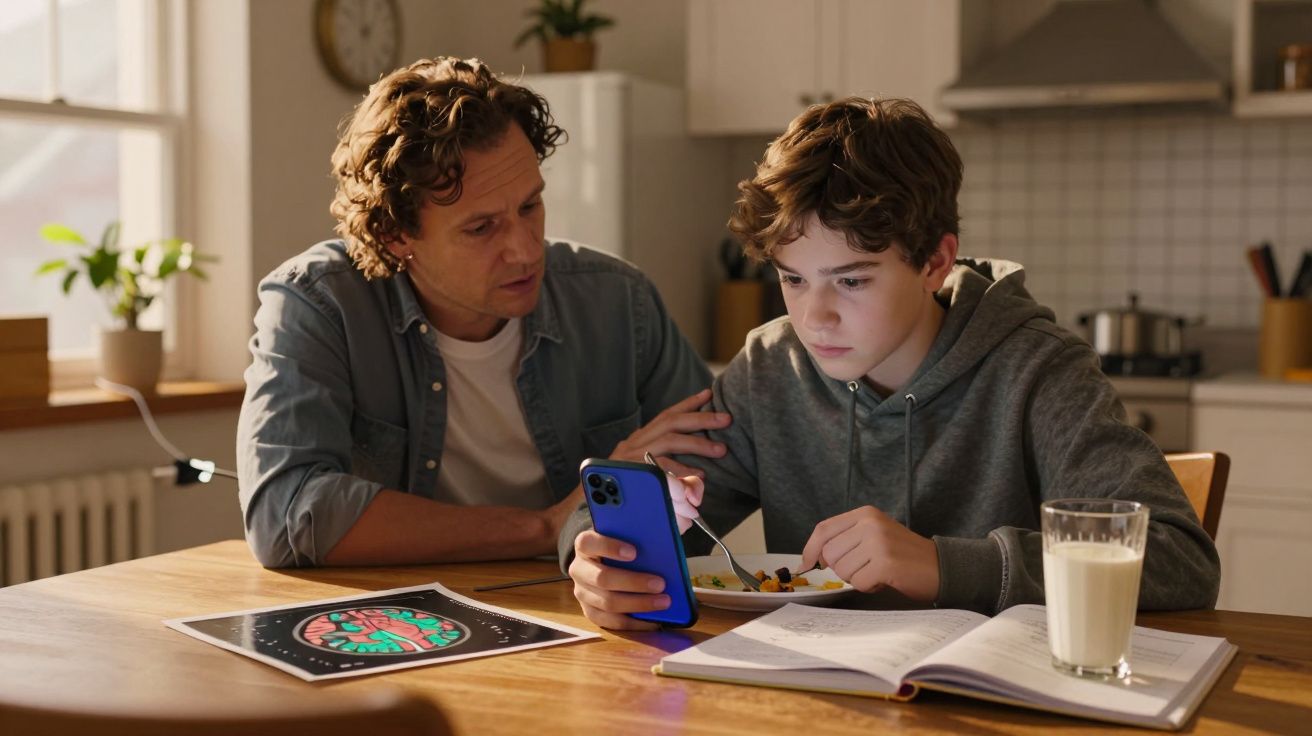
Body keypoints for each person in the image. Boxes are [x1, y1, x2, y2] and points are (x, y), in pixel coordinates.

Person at [565, 97, 1220, 630]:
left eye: (851, 282)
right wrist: (608, 554)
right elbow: (624, 528)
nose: (814, 317)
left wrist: (944, 565)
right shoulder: (767, 369)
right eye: (793, 280)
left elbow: (1182, 561)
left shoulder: (1039, 370)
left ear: (935, 261)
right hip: (820, 695)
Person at [237, 57, 728, 568]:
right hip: (400, 621)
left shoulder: (619, 303)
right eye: (481, 228)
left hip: (588, 612)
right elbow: (286, 514)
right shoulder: (320, 304)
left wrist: (636, 512)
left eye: (530, 206)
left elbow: (717, 480)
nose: (524, 250)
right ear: (396, 235)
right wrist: (547, 526)